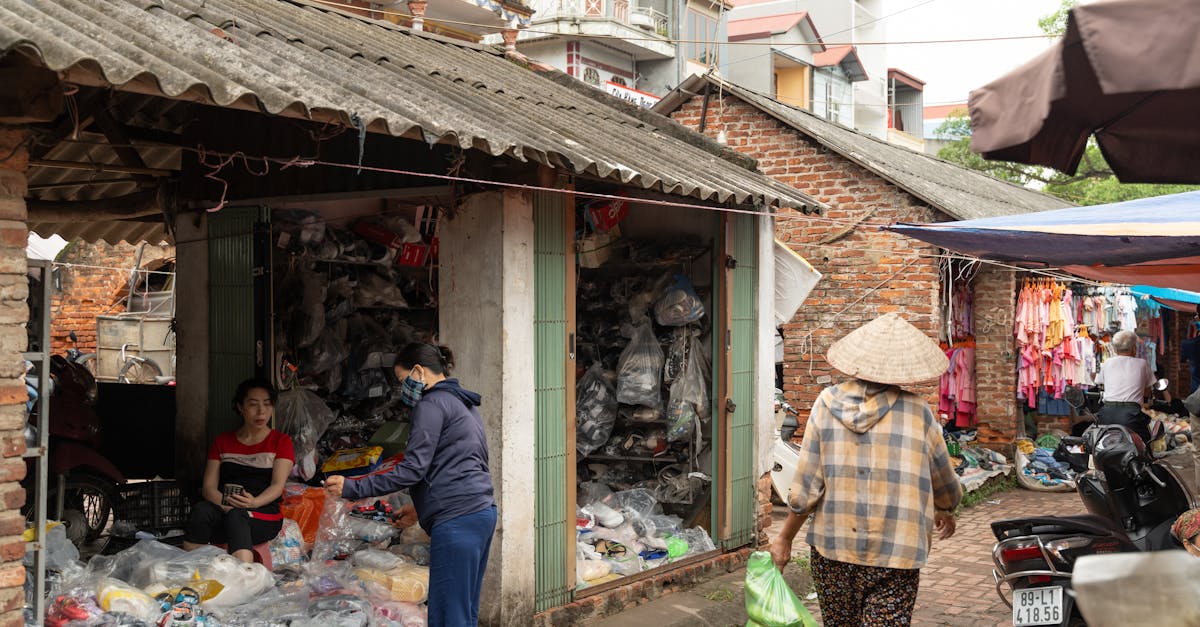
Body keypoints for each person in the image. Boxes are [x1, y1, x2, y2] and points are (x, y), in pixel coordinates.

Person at [769, 313, 962, 627]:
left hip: (833, 550)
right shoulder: (918, 412)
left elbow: (806, 489)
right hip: (896, 553)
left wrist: (784, 538)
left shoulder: (825, 403)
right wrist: (945, 506)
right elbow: (944, 480)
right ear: (901, 367)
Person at [325, 343, 496, 627]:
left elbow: (412, 469)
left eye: (404, 380)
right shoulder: (462, 402)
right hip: (479, 513)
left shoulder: (431, 404)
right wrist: (420, 508)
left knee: (447, 615)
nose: (403, 388)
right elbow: (457, 463)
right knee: (463, 611)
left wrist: (352, 487)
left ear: (418, 371)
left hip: (457, 519)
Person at [183, 378, 295, 563]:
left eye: (267, 404)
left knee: (238, 515)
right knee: (202, 510)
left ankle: (244, 578)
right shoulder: (223, 442)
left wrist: (253, 502)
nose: (261, 411)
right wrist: (226, 506)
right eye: (253, 404)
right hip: (226, 509)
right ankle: (192, 571)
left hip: (263, 514)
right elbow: (208, 488)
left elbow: (277, 486)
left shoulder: (281, 442)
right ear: (240, 407)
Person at [1095, 330, 1156, 445]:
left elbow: (1100, 383)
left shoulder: (1106, 363)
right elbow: (1147, 391)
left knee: (1099, 444)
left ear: (1115, 349)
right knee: (1146, 443)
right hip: (1131, 416)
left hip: (1106, 415)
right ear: (1134, 348)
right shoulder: (1142, 364)